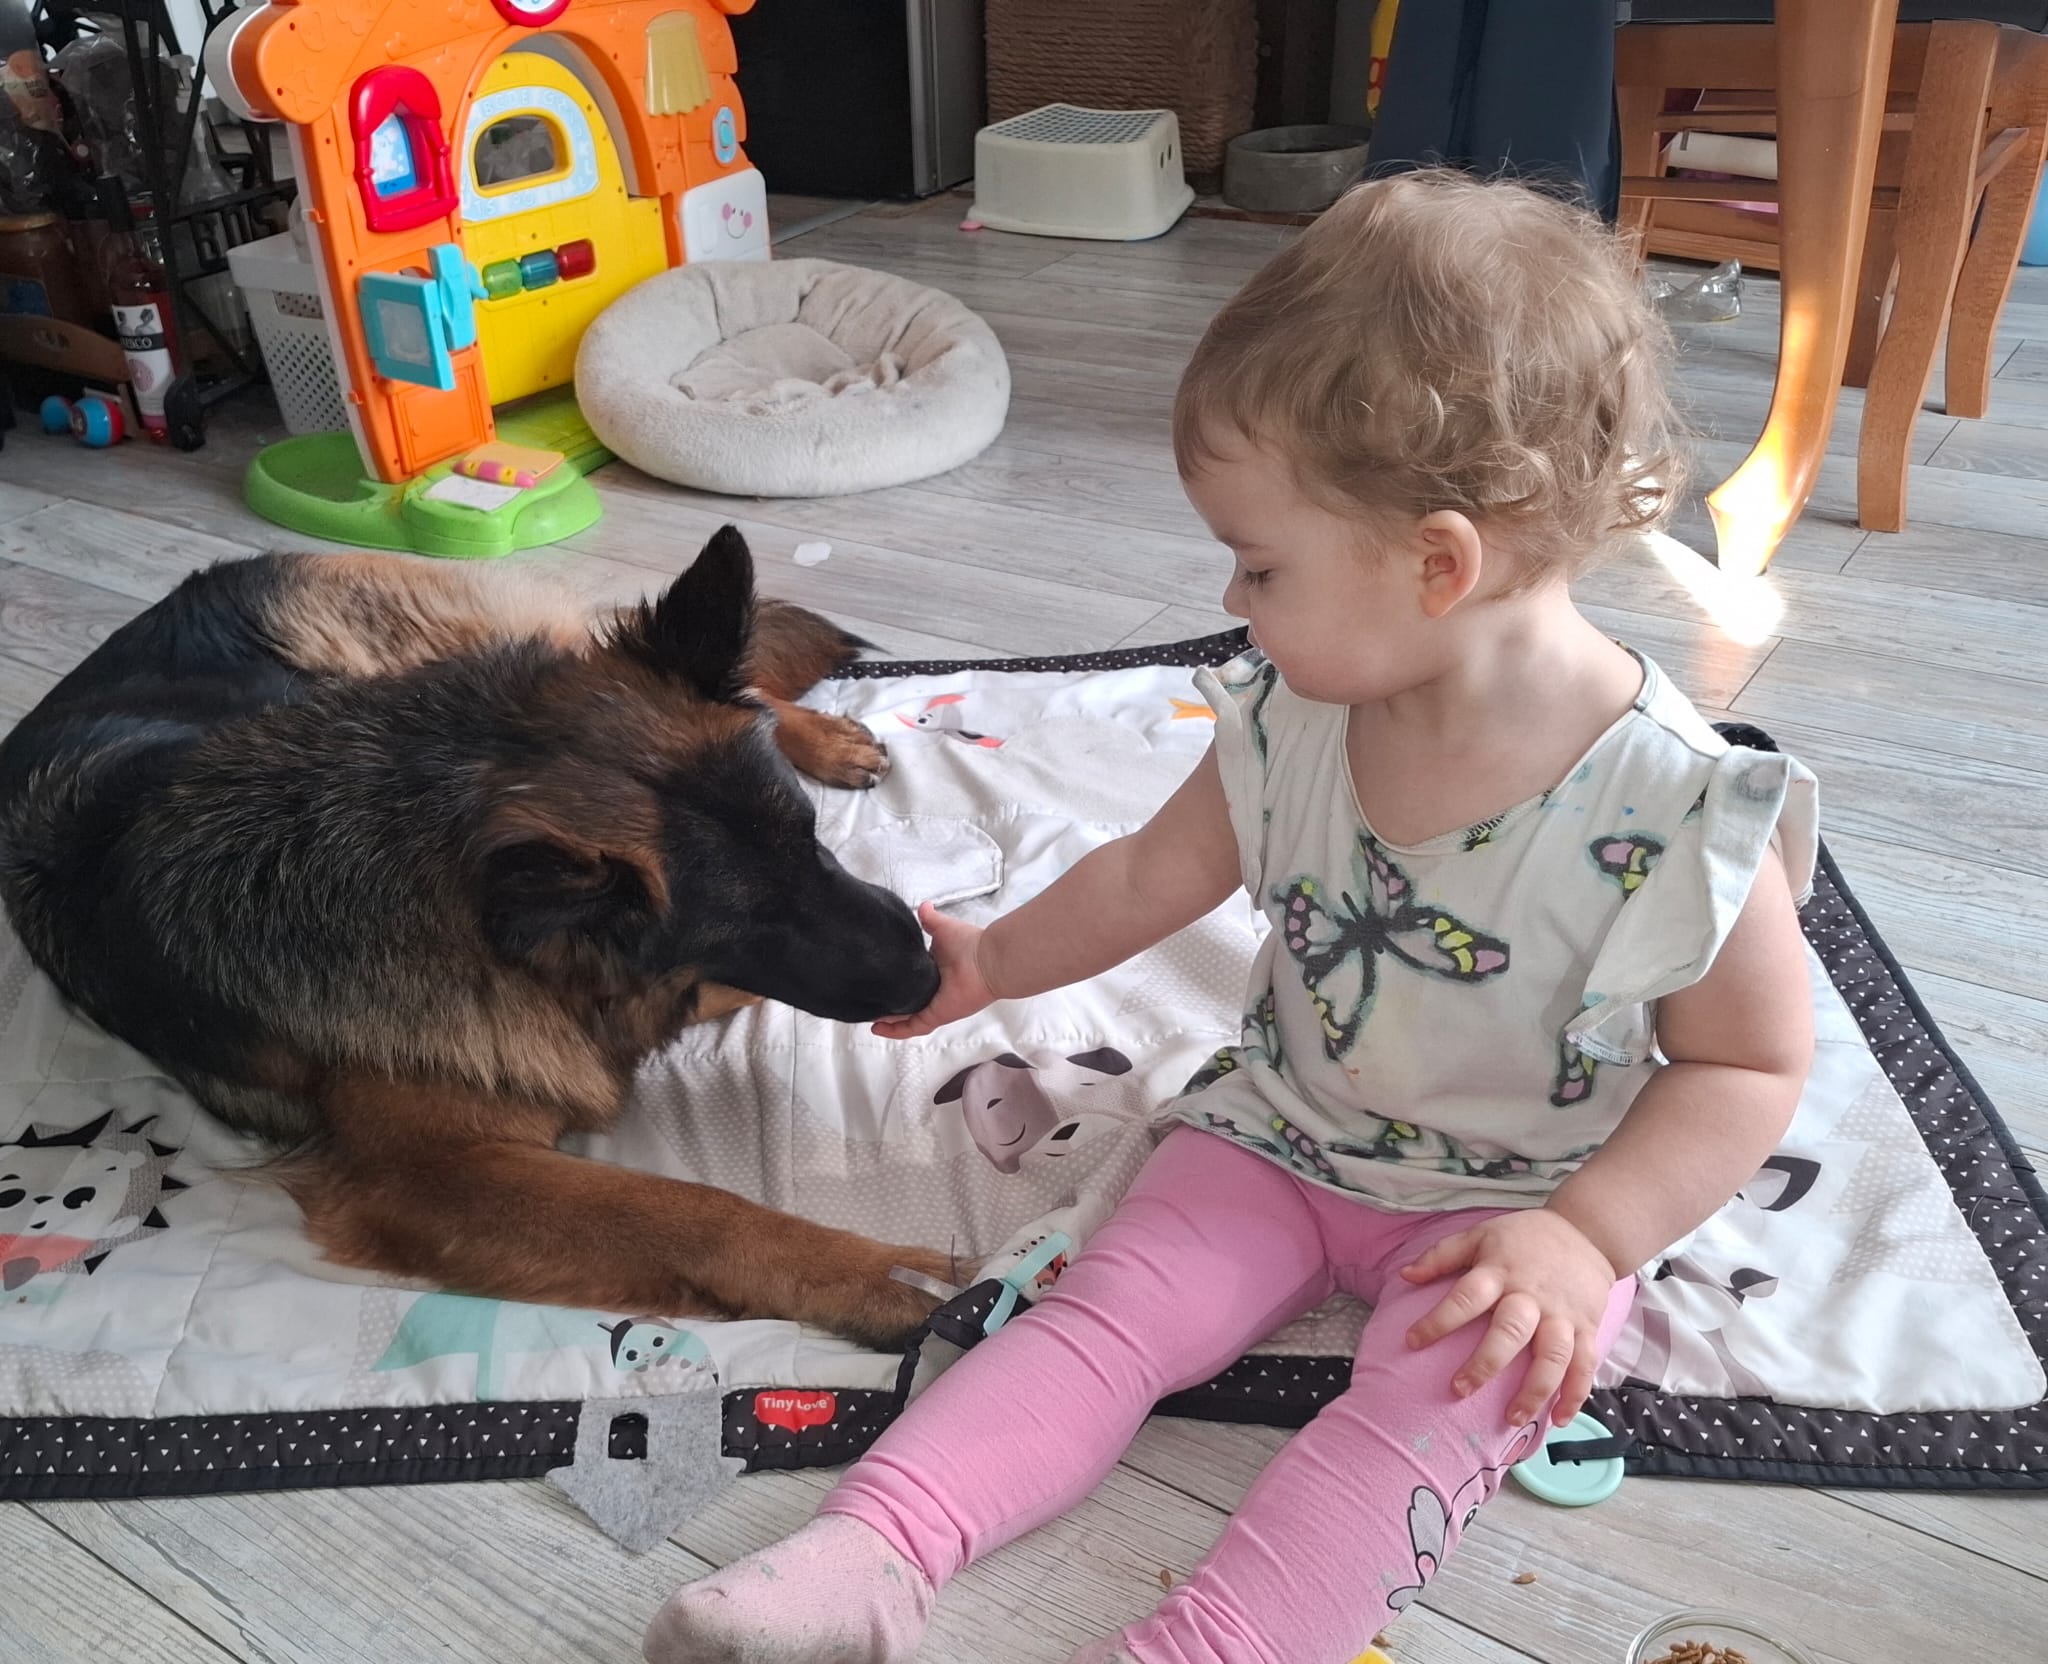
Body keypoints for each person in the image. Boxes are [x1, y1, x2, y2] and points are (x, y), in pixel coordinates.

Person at [643, 169, 1819, 1664]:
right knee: (1103, 1318)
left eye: (1262, 565)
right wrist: (992, 960)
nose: (1231, 596)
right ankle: (870, 1554)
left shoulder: (1676, 807)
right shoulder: (1289, 720)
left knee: (1430, 1414)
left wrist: (1587, 1242)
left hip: (1517, 1208)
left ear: (1439, 564)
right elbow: (1150, 876)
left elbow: (1746, 1066)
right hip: (1279, 1136)